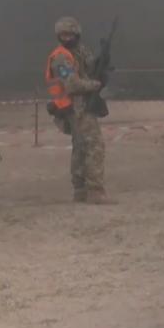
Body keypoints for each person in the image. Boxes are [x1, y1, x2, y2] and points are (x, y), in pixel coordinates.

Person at [45, 16, 113, 204]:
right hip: (75, 107)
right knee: (94, 146)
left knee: (82, 147)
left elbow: (91, 67)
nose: (66, 38)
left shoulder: (80, 51)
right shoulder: (60, 57)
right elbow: (72, 84)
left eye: (70, 34)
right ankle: (95, 191)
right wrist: (96, 84)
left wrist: (103, 60)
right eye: (63, 35)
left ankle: (81, 191)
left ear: (77, 34)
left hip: (83, 104)